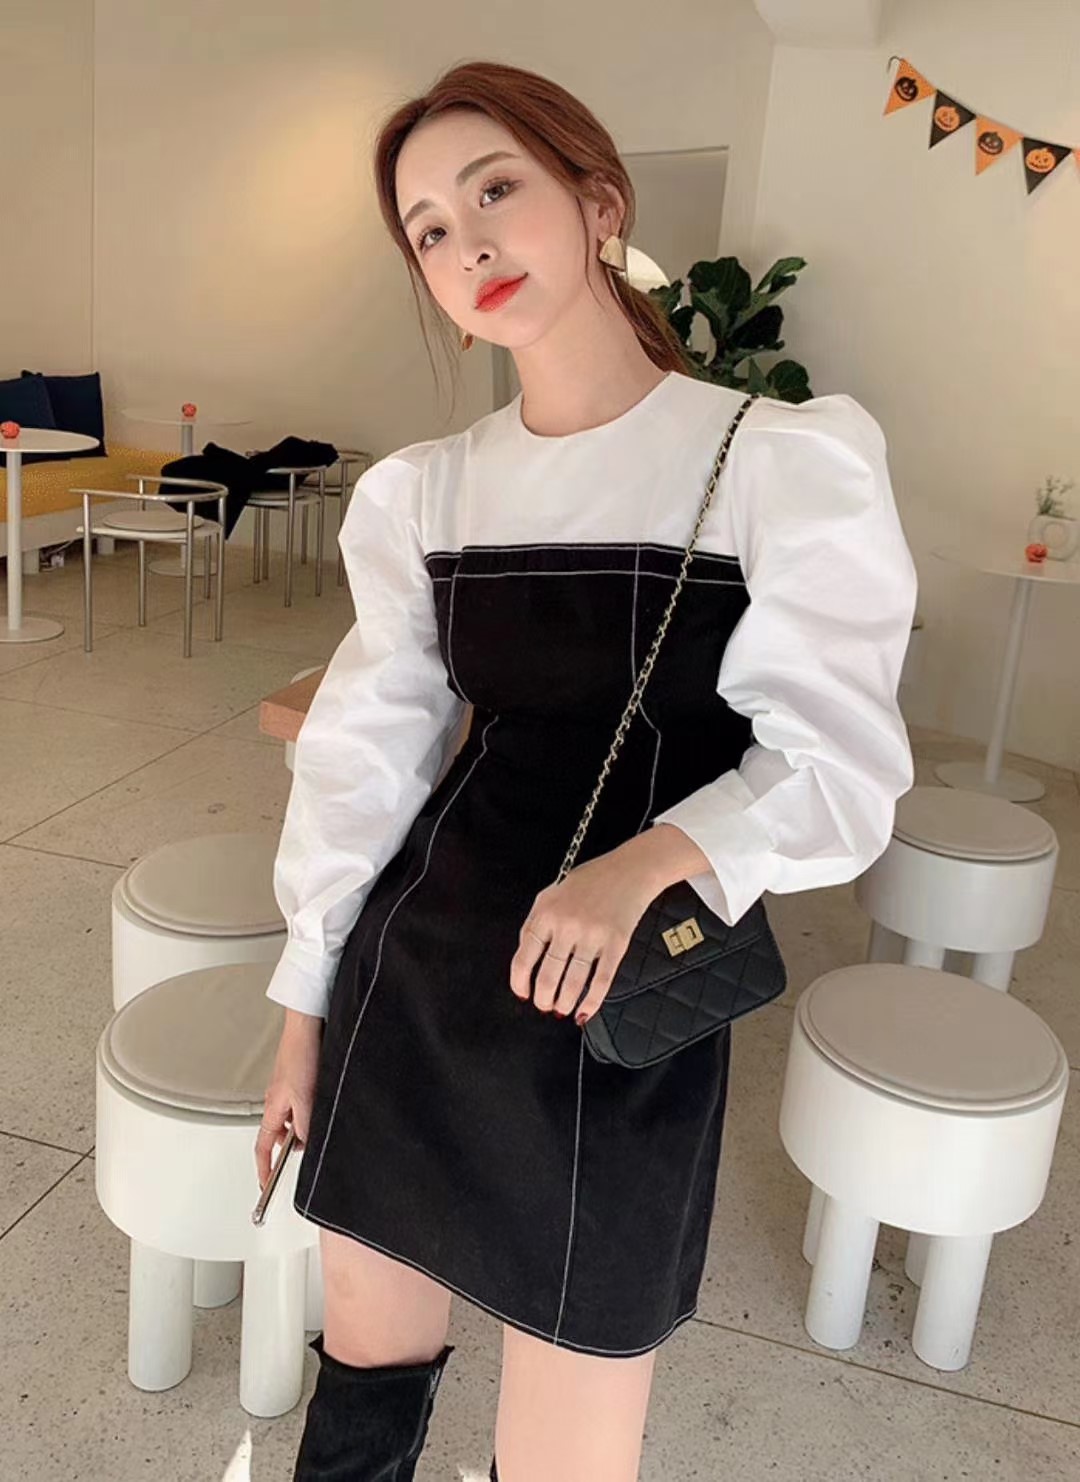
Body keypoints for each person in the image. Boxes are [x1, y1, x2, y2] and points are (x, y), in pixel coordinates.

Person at [256, 58, 919, 1482]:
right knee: (361, 1403)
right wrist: (304, 1006)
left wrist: (650, 859)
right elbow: (364, 757)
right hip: (417, 981)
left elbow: (842, 769)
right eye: (430, 230)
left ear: (599, 201)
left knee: (568, 1438)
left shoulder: (778, 461)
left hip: (623, 1011)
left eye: (496, 189)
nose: (469, 245)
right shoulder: (426, 491)